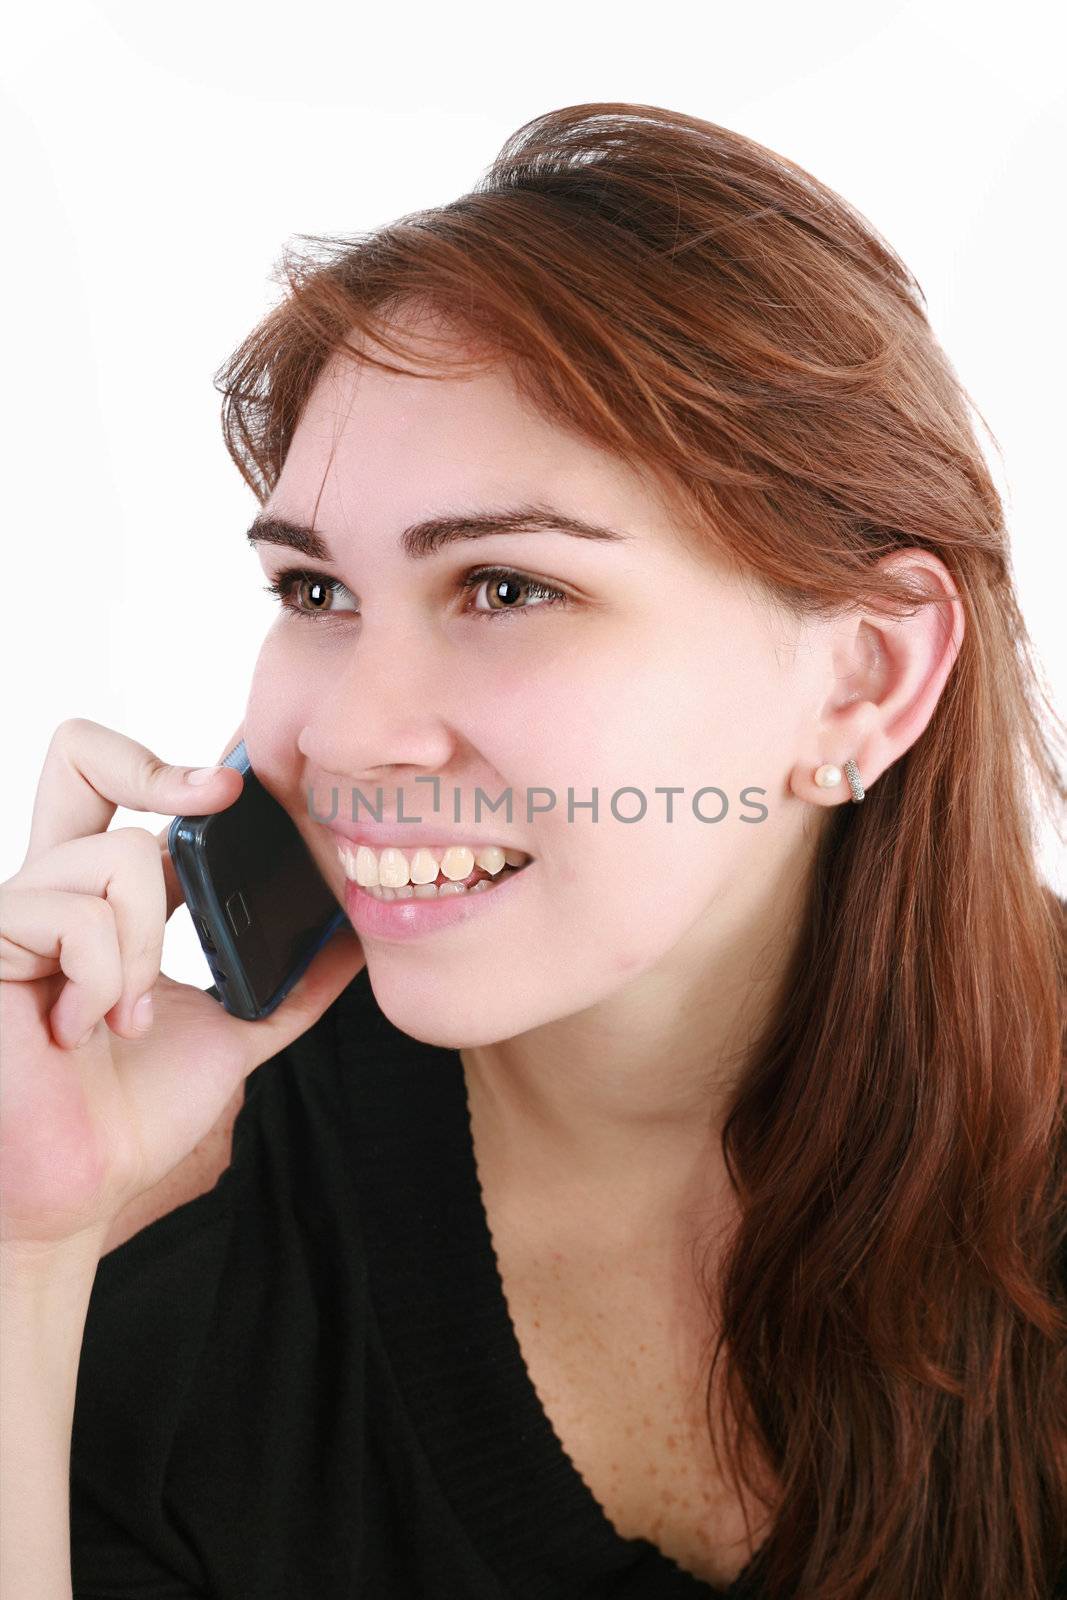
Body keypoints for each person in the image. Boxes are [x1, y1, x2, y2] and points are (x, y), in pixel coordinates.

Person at [2, 101, 1064, 1600]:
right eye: (314, 593)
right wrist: (23, 1262)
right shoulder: (159, 1222)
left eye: (506, 587)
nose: (352, 736)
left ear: (864, 680)